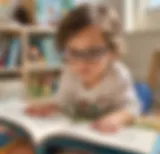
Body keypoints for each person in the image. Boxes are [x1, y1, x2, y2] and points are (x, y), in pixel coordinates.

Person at [26, 2, 140, 133]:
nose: (82, 62)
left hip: (107, 134)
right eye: (74, 53)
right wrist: (50, 107)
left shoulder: (118, 75)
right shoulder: (69, 73)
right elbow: (63, 103)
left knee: (141, 94)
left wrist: (117, 118)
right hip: (84, 131)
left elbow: (132, 108)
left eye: (93, 53)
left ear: (112, 51)